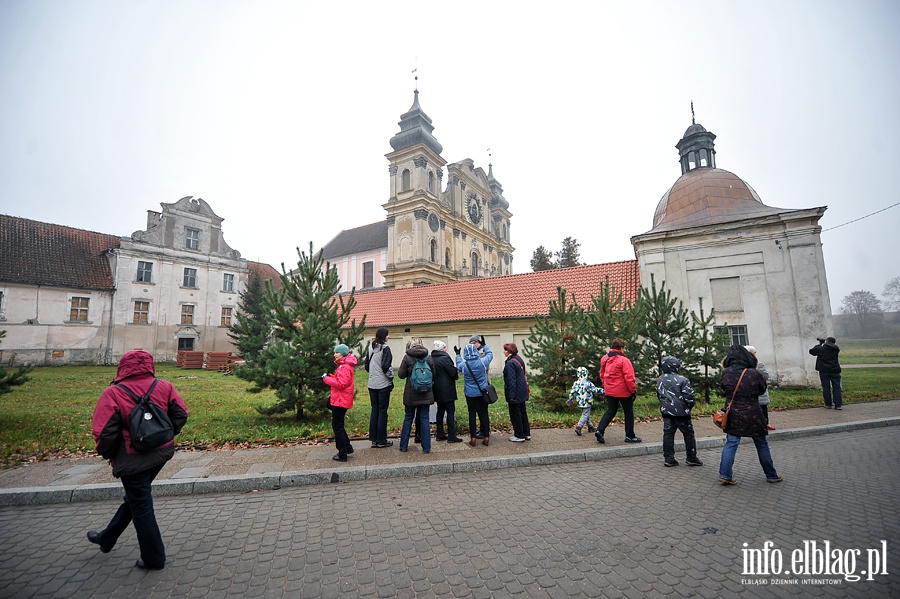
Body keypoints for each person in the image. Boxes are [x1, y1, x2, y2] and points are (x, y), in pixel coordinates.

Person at [88, 350, 189, 571]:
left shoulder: (113, 393)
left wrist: (110, 454)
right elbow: (181, 413)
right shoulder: (164, 385)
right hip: (160, 453)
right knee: (136, 497)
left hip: (132, 458)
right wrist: (165, 435)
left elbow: (104, 432)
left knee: (141, 504)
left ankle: (154, 558)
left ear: (123, 366)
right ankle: (107, 537)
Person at [717, 345, 783, 485]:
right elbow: (761, 390)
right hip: (753, 413)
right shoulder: (754, 373)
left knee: (731, 443)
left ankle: (725, 474)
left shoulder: (725, 372)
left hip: (733, 414)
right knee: (761, 444)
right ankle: (771, 474)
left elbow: (723, 390)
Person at [655, 356, 702, 467]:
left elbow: (659, 394)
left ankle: (669, 458)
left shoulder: (660, 379)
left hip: (667, 412)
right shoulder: (683, 380)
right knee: (688, 434)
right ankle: (691, 456)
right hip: (682, 413)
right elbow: (689, 397)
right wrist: (689, 406)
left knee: (668, 434)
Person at [595, 339, 641, 444]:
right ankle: (630, 436)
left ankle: (600, 430)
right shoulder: (624, 360)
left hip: (610, 391)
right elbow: (629, 378)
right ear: (621, 348)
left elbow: (602, 374)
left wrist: (606, 385)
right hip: (623, 391)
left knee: (611, 411)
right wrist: (633, 391)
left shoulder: (605, 359)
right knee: (628, 412)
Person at [397, 337, 435, 453]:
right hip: (426, 393)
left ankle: (403, 446)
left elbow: (401, 375)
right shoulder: (428, 357)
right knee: (424, 419)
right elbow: (434, 373)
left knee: (408, 418)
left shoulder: (407, 357)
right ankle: (427, 447)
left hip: (411, 393)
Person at [456, 335, 493, 446]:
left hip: (470, 394)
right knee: (484, 414)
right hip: (482, 393)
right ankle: (486, 436)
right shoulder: (482, 363)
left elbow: (458, 364)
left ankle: (473, 438)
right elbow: (490, 355)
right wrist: (484, 345)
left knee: (472, 414)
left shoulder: (464, 365)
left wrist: (457, 354)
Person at [322, 344, 357, 462]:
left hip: (340, 400)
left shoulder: (345, 367)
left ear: (342, 353)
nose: (335, 354)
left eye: (337, 352)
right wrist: (331, 376)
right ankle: (347, 448)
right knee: (339, 424)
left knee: (337, 426)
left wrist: (326, 379)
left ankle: (342, 454)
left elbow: (341, 384)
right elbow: (340, 380)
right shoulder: (343, 365)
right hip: (339, 399)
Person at [366, 327, 394, 448]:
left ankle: (373, 439)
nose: (389, 337)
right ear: (384, 336)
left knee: (375, 410)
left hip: (372, 384)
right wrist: (391, 377)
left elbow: (367, 365)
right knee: (383, 411)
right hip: (383, 384)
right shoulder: (385, 348)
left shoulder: (370, 348)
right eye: (388, 335)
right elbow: (386, 366)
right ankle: (382, 439)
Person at [431, 340, 463, 443]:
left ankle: (440, 434)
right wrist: (455, 372)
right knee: (450, 411)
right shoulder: (445, 358)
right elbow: (453, 373)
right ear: (442, 349)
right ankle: (451, 435)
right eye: (445, 347)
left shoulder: (431, 358)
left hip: (436, 388)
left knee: (440, 411)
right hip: (447, 389)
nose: (446, 349)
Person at [503, 343, 530, 442]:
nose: (504, 352)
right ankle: (526, 433)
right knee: (523, 412)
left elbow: (511, 380)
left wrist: (511, 396)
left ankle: (519, 435)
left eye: (505, 350)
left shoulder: (510, 363)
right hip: (522, 391)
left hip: (515, 392)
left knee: (515, 414)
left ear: (509, 351)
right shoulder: (519, 359)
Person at [745, 346, 775, 430]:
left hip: (759, 390)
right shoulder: (743, 365)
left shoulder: (759, 364)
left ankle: (765, 423)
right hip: (749, 390)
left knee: (762, 408)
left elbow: (765, 376)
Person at [568, 367, 603, 436]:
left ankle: (590, 427)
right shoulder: (588, 383)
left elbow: (572, 392)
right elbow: (595, 390)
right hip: (587, 402)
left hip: (580, 402)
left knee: (586, 415)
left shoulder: (576, 383)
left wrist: (570, 399)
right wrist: (603, 391)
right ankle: (579, 427)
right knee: (585, 415)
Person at [809, 337, 842, 409]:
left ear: (826, 341)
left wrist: (819, 344)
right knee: (837, 387)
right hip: (835, 370)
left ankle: (828, 404)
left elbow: (812, 351)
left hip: (824, 371)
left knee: (826, 388)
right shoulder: (836, 349)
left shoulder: (821, 349)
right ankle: (838, 404)